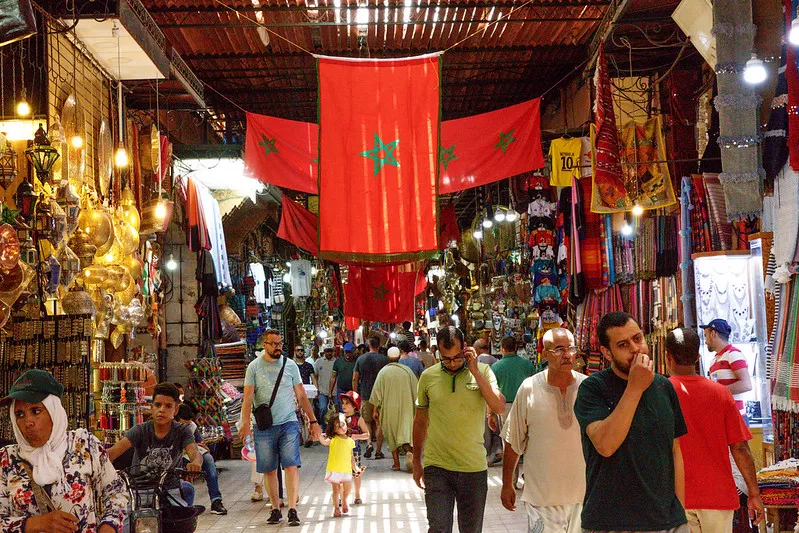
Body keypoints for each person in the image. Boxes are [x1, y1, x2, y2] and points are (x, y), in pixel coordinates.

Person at [574, 311, 688, 533]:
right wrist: (635, 386)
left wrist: (679, 511)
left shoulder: (664, 387)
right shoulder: (592, 389)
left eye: (637, 339)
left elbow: (675, 451)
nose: (635, 349)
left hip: (668, 521)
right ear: (607, 353)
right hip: (611, 522)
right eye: (623, 344)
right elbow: (605, 445)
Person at [0, 370, 129, 533]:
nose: (28, 422)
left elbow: (116, 490)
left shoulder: (84, 446)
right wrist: (35, 524)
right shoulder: (7, 460)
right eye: (19, 414)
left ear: (53, 411)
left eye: (36, 411)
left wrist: (109, 526)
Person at [666, 328, 764, 533]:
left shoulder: (659, 393)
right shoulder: (721, 394)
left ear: (668, 357)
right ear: (698, 357)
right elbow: (740, 448)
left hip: (675, 497)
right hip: (718, 496)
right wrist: (754, 493)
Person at [413, 326, 506, 533]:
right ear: (438, 353)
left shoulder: (482, 371)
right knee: (438, 528)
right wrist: (417, 461)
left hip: (473, 468)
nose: (453, 363)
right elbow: (420, 421)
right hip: (437, 467)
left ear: (465, 349)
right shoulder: (428, 377)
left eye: (456, 357)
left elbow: (499, 406)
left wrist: (474, 370)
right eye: (446, 359)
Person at [500, 328, 586, 533]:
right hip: (541, 498)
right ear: (545, 354)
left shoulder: (588, 387)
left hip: (582, 496)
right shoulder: (529, 388)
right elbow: (513, 441)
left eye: (570, 348)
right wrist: (506, 484)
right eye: (558, 349)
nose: (566, 355)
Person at [240, 328, 321, 527]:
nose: (277, 347)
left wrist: (313, 421)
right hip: (264, 425)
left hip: (288, 423)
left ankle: (292, 509)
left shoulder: (290, 365)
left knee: (291, 466)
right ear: (264, 345)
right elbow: (248, 398)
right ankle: (275, 508)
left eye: (280, 344)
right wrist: (245, 425)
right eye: (273, 344)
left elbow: (301, 395)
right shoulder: (254, 367)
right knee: (269, 470)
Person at [108, 383, 202, 506]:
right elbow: (113, 452)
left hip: (170, 491)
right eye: (158, 405)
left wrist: (196, 463)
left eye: (168, 406)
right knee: (125, 522)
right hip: (139, 491)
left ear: (176, 410)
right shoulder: (139, 430)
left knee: (181, 519)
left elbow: (194, 452)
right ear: (151, 407)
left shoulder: (182, 431)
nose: (162, 410)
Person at [371, 347, 418, 472]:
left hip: (389, 410)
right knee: (405, 433)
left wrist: (375, 410)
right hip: (406, 409)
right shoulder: (407, 371)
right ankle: (409, 453)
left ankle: (396, 464)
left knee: (392, 436)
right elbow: (416, 390)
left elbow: (376, 394)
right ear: (398, 357)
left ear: (388, 357)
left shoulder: (383, 372)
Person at [176, 404, 228, 515]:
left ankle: (216, 501)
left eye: (188, 424)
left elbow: (201, 443)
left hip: (193, 454)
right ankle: (183, 504)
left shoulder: (192, 426)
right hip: (179, 456)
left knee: (208, 460)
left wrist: (203, 447)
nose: (186, 427)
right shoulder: (169, 428)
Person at [699, 319, 752, 412]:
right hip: (722, 415)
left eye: (705, 336)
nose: (705, 341)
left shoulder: (733, 354)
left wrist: (717, 392)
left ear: (713, 334)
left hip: (736, 416)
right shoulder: (714, 360)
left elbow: (746, 385)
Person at [353, 335, 389, 460]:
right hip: (381, 396)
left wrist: (355, 394)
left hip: (366, 394)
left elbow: (355, 378)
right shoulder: (384, 360)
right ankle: (378, 451)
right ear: (379, 346)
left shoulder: (361, 359)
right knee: (380, 423)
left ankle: (369, 443)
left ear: (368, 345)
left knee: (366, 421)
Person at [319, 413, 361, 518]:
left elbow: (351, 456)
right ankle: (336, 508)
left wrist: (354, 467)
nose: (342, 427)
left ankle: (344, 500)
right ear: (334, 429)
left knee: (347, 489)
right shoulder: (333, 439)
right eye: (338, 426)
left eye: (343, 424)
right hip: (334, 469)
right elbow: (324, 442)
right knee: (336, 490)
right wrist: (319, 434)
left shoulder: (350, 441)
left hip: (346, 470)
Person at [340, 391, 370, 504]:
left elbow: (367, 434)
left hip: (354, 450)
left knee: (356, 472)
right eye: (343, 403)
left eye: (347, 403)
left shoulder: (358, 419)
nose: (343, 406)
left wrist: (356, 436)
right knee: (341, 472)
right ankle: (342, 496)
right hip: (342, 450)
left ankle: (357, 495)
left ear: (354, 405)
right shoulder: (340, 418)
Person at [314, 346, 336, 431]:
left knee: (334, 412)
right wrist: (317, 388)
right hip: (322, 391)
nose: (329, 353)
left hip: (334, 392)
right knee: (323, 408)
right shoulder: (319, 362)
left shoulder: (336, 361)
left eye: (330, 351)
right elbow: (315, 376)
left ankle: (334, 428)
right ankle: (324, 428)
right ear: (324, 352)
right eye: (327, 351)